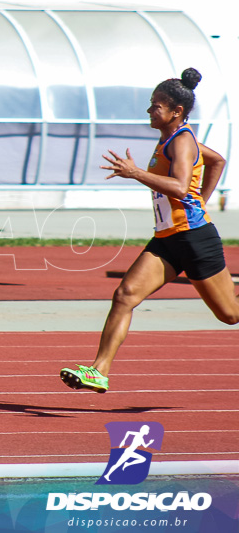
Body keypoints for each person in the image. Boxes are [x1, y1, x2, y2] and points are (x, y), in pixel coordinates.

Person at [61, 68, 239, 393]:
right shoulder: (172, 139)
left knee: (230, 315)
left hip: (195, 240)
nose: (149, 110)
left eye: (156, 105)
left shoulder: (182, 141)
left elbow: (181, 187)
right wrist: (202, 200)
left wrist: (136, 173)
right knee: (124, 295)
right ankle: (99, 371)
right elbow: (217, 161)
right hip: (168, 239)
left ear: (176, 111)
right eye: (151, 103)